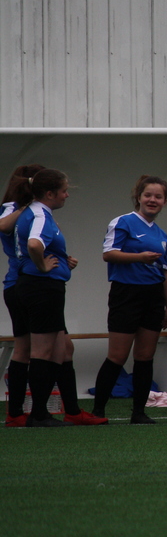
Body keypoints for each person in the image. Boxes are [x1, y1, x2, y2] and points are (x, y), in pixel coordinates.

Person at [14, 168, 107, 426]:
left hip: (41, 287)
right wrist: (43, 266)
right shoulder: (40, 214)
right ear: (49, 193)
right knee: (43, 351)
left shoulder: (35, 212)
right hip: (42, 288)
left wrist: (63, 261)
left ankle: (47, 412)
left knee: (60, 349)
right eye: (64, 191)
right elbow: (34, 244)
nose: (67, 195)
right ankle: (38, 414)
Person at [92, 176, 167, 424]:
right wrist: (139, 257)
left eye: (158, 196)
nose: (152, 200)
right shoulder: (123, 222)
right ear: (138, 197)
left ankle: (139, 412)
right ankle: (97, 412)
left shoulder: (161, 234)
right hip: (126, 294)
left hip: (153, 296)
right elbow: (108, 254)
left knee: (145, 356)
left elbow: (165, 271)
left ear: (165, 201)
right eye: (148, 195)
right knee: (117, 355)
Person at [2, 164, 45, 427]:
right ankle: (20, 412)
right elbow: (3, 225)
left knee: (59, 348)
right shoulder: (13, 207)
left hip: (31, 284)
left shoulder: (41, 212)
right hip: (20, 283)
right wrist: (26, 206)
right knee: (26, 349)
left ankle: (27, 411)